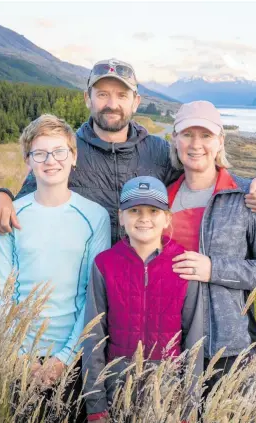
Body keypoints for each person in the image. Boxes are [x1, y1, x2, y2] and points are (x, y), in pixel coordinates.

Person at [0, 59, 256, 246]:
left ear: (135, 101)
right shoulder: (68, 152)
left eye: (121, 95)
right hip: (85, 280)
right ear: (88, 99)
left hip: (143, 278)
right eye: (103, 94)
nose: (112, 104)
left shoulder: (160, 151)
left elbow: (206, 174)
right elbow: (27, 197)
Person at [0, 114, 111, 423]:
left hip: (73, 356)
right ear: (28, 161)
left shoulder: (95, 217)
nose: (50, 160)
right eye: (39, 153)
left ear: (73, 156)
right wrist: (20, 357)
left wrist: (64, 358)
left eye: (58, 152)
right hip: (19, 357)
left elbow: (91, 295)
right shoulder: (11, 215)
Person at [167, 101, 256, 391]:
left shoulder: (246, 196)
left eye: (206, 135)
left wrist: (214, 269)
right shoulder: (162, 198)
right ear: (174, 139)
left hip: (226, 347)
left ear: (220, 141)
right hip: (169, 346)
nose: (196, 144)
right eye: (187, 134)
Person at [82, 176, 194, 422]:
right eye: (135, 211)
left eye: (154, 211)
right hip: (117, 389)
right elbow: (93, 336)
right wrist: (95, 403)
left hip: (168, 392)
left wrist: (187, 405)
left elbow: (194, 339)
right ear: (121, 217)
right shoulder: (105, 264)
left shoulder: (184, 264)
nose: (144, 218)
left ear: (167, 218)